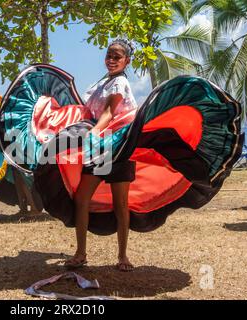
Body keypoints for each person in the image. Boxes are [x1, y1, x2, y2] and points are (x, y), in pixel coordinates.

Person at [64, 39, 138, 271]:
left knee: (121, 204)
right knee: (82, 198)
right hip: (100, 146)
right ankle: (80, 253)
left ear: (127, 60)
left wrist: (92, 135)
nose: (111, 60)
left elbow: (107, 113)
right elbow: (88, 111)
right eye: (109, 55)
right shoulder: (102, 83)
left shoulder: (119, 83)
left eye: (117, 56)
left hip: (119, 147)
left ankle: (123, 256)